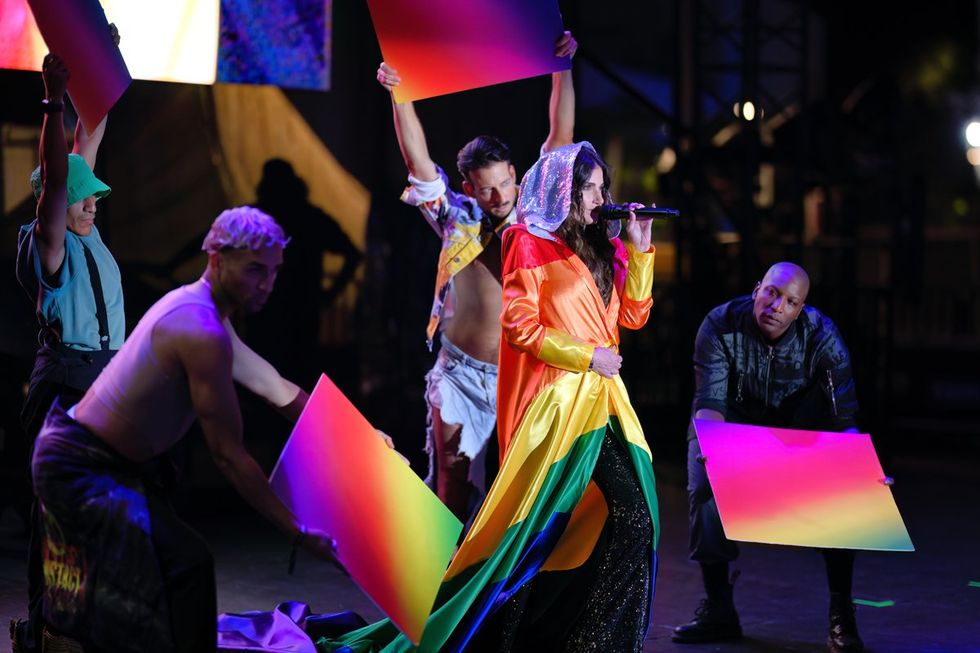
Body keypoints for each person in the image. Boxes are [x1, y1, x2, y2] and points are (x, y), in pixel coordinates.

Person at [321, 141, 660, 653]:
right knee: (529, 534)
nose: (599, 198)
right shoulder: (528, 241)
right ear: (563, 191)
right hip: (558, 410)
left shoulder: (604, 247)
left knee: (632, 516)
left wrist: (640, 250)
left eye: (601, 188)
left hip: (607, 405)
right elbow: (519, 325)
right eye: (588, 188)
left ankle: (593, 641)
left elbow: (633, 316)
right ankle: (496, 635)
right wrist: (585, 355)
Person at [29, 207, 341, 653]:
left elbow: (276, 388)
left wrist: (357, 433)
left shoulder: (208, 315)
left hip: (104, 463)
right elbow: (228, 455)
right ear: (216, 258)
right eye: (256, 269)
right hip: (80, 465)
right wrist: (297, 531)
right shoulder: (199, 329)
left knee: (162, 579)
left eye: (274, 271)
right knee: (182, 568)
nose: (267, 284)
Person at [375, 30, 577, 524]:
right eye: (487, 189)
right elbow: (418, 162)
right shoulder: (456, 216)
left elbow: (559, 141)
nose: (500, 196)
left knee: (516, 495)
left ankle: (501, 572)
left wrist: (562, 69)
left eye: (506, 182)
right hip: (460, 373)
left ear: (515, 173)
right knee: (451, 485)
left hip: (521, 374)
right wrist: (400, 95)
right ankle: (443, 570)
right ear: (469, 187)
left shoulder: (532, 216)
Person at [673, 262, 864, 653]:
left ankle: (842, 613)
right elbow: (710, 402)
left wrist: (860, 470)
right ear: (757, 289)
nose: (777, 306)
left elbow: (843, 417)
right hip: (734, 424)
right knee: (703, 477)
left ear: (800, 309)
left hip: (798, 431)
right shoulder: (721, 324)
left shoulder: (823, 336)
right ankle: (719, 606)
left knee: (845, 489)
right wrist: (713, 448)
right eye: (772, 293)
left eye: (791, 302)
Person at [12, 43, 122, 653]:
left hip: (106, 380)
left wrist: (100, 64)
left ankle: (90, 625)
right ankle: (43, 631)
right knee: (57, 514)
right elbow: (60, 179)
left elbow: (87, 143)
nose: (91, 204)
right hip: (67, 382)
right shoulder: (49, 243)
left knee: (107, 513)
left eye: (95, 197)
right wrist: (52, 101)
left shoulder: (88, 227)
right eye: (83, 198)